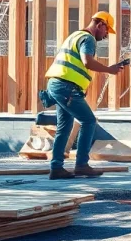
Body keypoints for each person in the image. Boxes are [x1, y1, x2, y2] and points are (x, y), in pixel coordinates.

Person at [43, 11, 125, 180]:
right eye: (106, 30)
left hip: (59, 85)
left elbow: (75, 65)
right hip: (66, 87)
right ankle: (81, 164)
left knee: (64, 127)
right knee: (89, 121)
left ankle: (56, 167)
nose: (106, 35)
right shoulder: (88, 39)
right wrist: (110, 70)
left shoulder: (75, 35)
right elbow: (87, 61)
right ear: (100, 25)